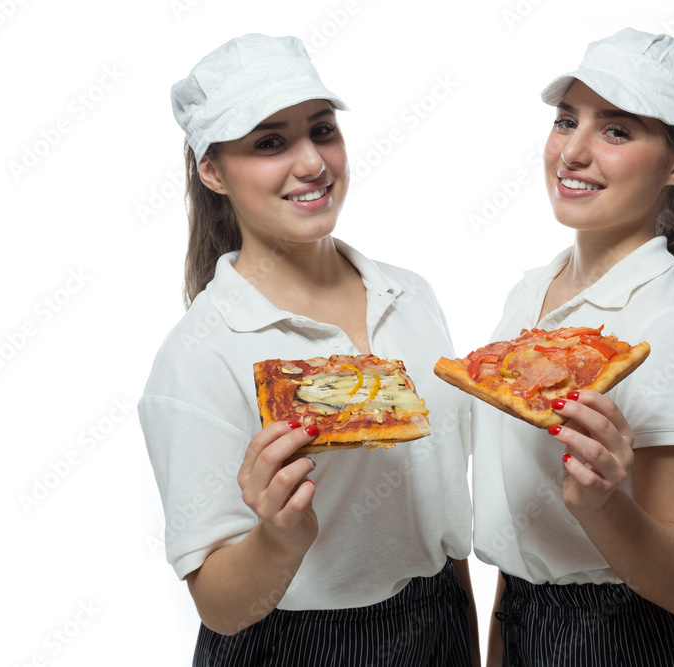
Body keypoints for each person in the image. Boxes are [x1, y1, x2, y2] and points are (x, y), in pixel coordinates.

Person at [138, 33, 477, 666]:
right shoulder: (198, 357)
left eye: (321, 130)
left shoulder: (412, 296)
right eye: (270, 142)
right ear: (212, 170)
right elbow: (219, 606)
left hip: (438, 623)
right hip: (293, 644)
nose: (312, 163)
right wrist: (278, 537)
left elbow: (441, 519)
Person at [472, 29, 674, 666]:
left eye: (616, 131)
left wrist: (600, 504)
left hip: (634, 641)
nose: (572, 152)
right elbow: (520, 536)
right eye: (566, 120)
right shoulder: (529, 294)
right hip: (527, 625)